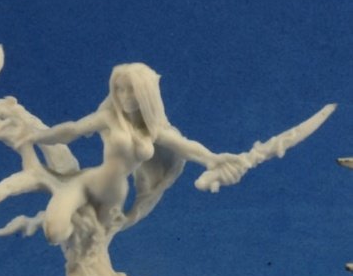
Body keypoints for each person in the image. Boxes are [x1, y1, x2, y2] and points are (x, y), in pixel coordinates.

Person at [20, 63, 245, 244]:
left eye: (132, 90)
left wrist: (213, 159)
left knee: (95, 244)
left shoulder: (153, 132)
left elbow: (186, 147)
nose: (125, 96)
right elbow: (72, 130)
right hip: (88, 182)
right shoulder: (109, 118)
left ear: (145, 94)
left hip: (116, 193)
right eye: (119, 89)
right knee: (55, 232)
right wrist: (38, 136)